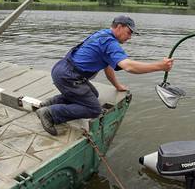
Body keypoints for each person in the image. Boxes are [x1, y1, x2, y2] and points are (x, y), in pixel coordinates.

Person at [37, 16, 173, 136]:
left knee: (93, 94)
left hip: (62, 70)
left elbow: (107, 66)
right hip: (69, 77)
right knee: (94, 109)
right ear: (119, 27)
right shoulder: (110, 43)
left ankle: (51, 102)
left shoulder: (102, 34)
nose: (130, 37)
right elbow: (129, 66)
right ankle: (50, 113)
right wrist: (160, 66)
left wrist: (117, 86)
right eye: (129, 32)